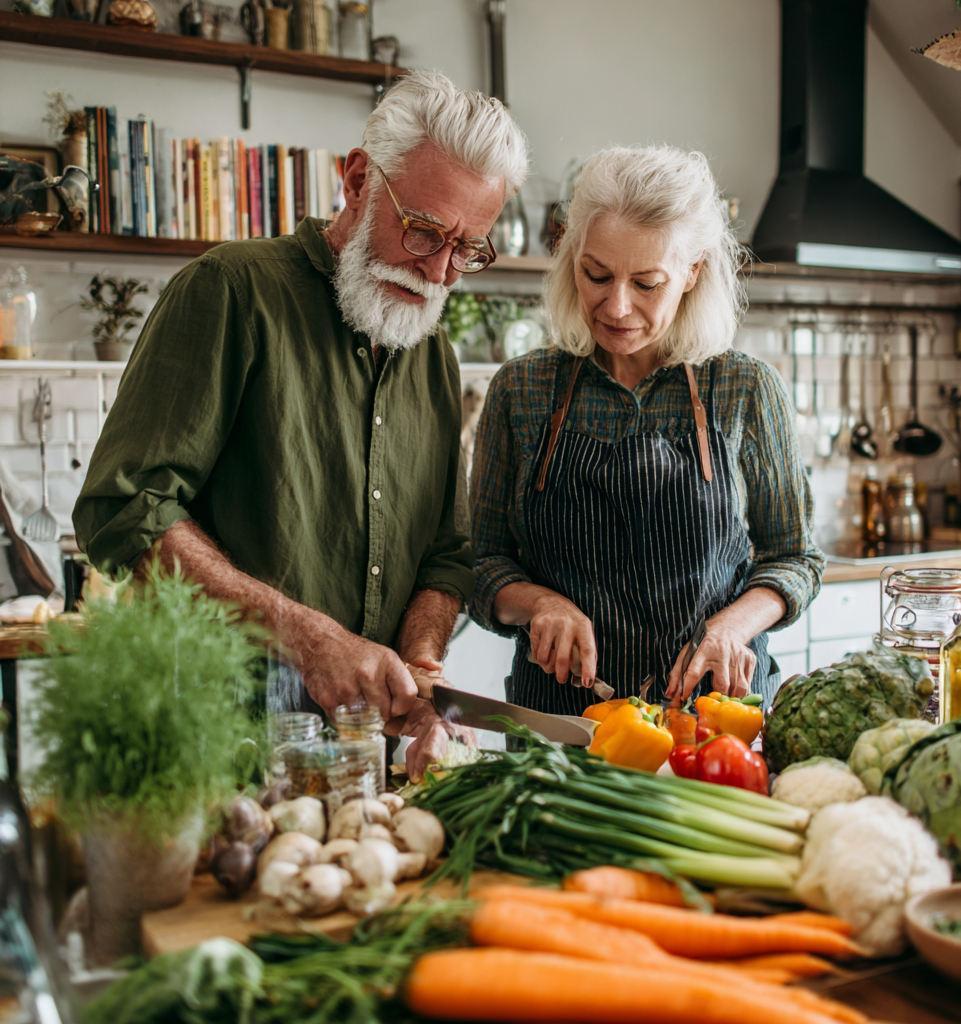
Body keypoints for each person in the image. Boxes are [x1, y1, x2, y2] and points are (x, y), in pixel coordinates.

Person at [73, 70, 530, 779]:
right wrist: (309, 639)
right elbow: (125, 508)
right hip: (215, 746)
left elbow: (444, 551)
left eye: (467, 249)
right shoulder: (230, 290)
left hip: (364, 761)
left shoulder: (434, 352)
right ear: (356, 180)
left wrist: (418, 669)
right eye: (423, 231)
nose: (439, 272)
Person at [470, 145, 823, 712]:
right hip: (565, 727)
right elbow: (483, 563)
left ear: (692, 273)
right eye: (597, 274)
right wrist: (538, 604)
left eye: (647, 283)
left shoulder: (745, 388)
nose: (617, 306)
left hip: (714, 722)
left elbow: (795, 558)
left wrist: (732, 627)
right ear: (570, 256)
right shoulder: (522, 389)